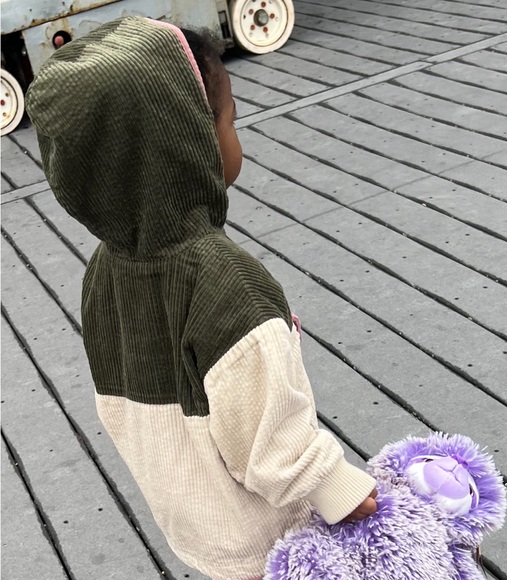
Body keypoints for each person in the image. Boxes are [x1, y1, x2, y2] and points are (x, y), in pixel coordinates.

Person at [26, 16, 377, 580]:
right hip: (270, 539)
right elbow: (267, 434)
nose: (236, 136)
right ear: (186, 145)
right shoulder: (226, 281)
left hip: (196, 520)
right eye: (230, 120)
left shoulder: (103, 272)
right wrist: (338, 488)